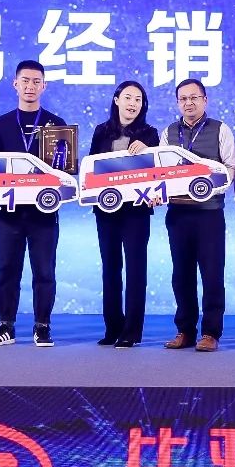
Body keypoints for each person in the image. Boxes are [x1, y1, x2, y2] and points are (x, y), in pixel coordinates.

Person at [0, 60, 68, 348]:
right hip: (9, 212)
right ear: (15, 84)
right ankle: (5, 326)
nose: (30, 86)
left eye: (36, 81)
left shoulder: (56, 124)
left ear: (44, 86)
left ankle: (42, 327)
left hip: (44, 213)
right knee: (8, 270)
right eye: (25, 81)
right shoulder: (1, 124)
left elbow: (64, 169)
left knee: (44, 271)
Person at [161, 78, 235, 353]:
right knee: (181, 275)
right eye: (183, 99)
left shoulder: (220, 129)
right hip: (178, 214)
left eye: (194, 97)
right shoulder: (169, 133)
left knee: (212, 274)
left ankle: (210, 333)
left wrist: (211, 186)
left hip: (209, 214)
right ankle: (185, 330)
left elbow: (231, 168)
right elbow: (161, 172)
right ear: (177, 103)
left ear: (205, 100)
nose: (189, 103)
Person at [88, 81, 160, 349]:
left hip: (136, 210)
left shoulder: (150, 134)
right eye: (128, 97)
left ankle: (131, 331)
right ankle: (112, 328)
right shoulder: (101, 131)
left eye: (138, 99)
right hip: (106, 208)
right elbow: (91, 166)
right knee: (110, 268)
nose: (132, 103)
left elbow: (157, 170)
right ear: (116, 100)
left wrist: (148, 150)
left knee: (135, 269)